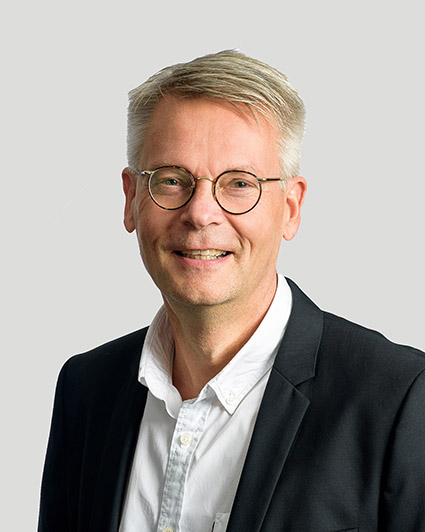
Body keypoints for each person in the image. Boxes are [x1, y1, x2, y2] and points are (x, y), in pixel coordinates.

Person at [38, 50, 425, 532]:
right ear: (131, 198)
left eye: (239, 183)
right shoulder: (85, 390)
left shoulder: (400, 399)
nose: (201, 213)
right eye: (172, 180)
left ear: (290, 208)